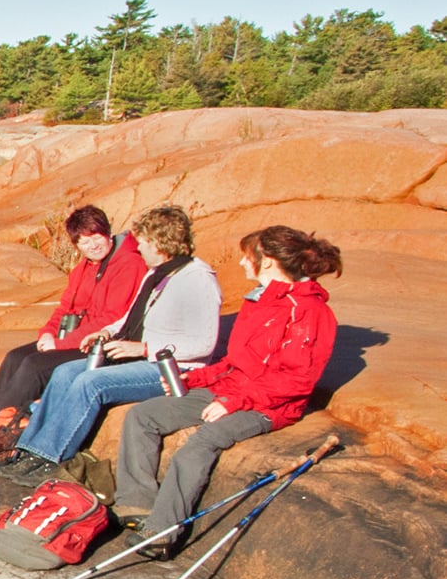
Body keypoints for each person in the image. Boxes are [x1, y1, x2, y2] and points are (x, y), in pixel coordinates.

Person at [113, 224, 343, 552]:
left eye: (247, 257)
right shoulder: (260, 301)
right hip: (231, 388)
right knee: (143, 416)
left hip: (269, 405)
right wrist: (194, 379)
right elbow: (235, 362)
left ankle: (162, 534)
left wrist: (235, 401)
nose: (241, 264)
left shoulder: (309, 311)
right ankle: (137, 505)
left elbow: (296, 380)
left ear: (267, 261)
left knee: (203, 439)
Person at [0, 205, 221, 475]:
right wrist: (107, 332)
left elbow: (204, 344)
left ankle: (48, 458)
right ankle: (29, 449)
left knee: (90, 382)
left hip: (171, 369)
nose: (138, 248)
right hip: (135, 356)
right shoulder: (156, 272)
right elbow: (128, 319)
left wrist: (144, 347)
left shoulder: (196, 279)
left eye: (143, 242)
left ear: (160, 243)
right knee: (64, 373)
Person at [0, 205, 144, 461]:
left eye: (96, 237)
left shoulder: (128, 263)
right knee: (15, 356)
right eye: (84, 241)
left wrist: (61, 344)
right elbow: (65, 308)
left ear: (107, 232)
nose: (92, 245)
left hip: (103, 342)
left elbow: (111, 319)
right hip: (74, 339)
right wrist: (48, 333)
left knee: (35, 366)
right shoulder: (85, 267)